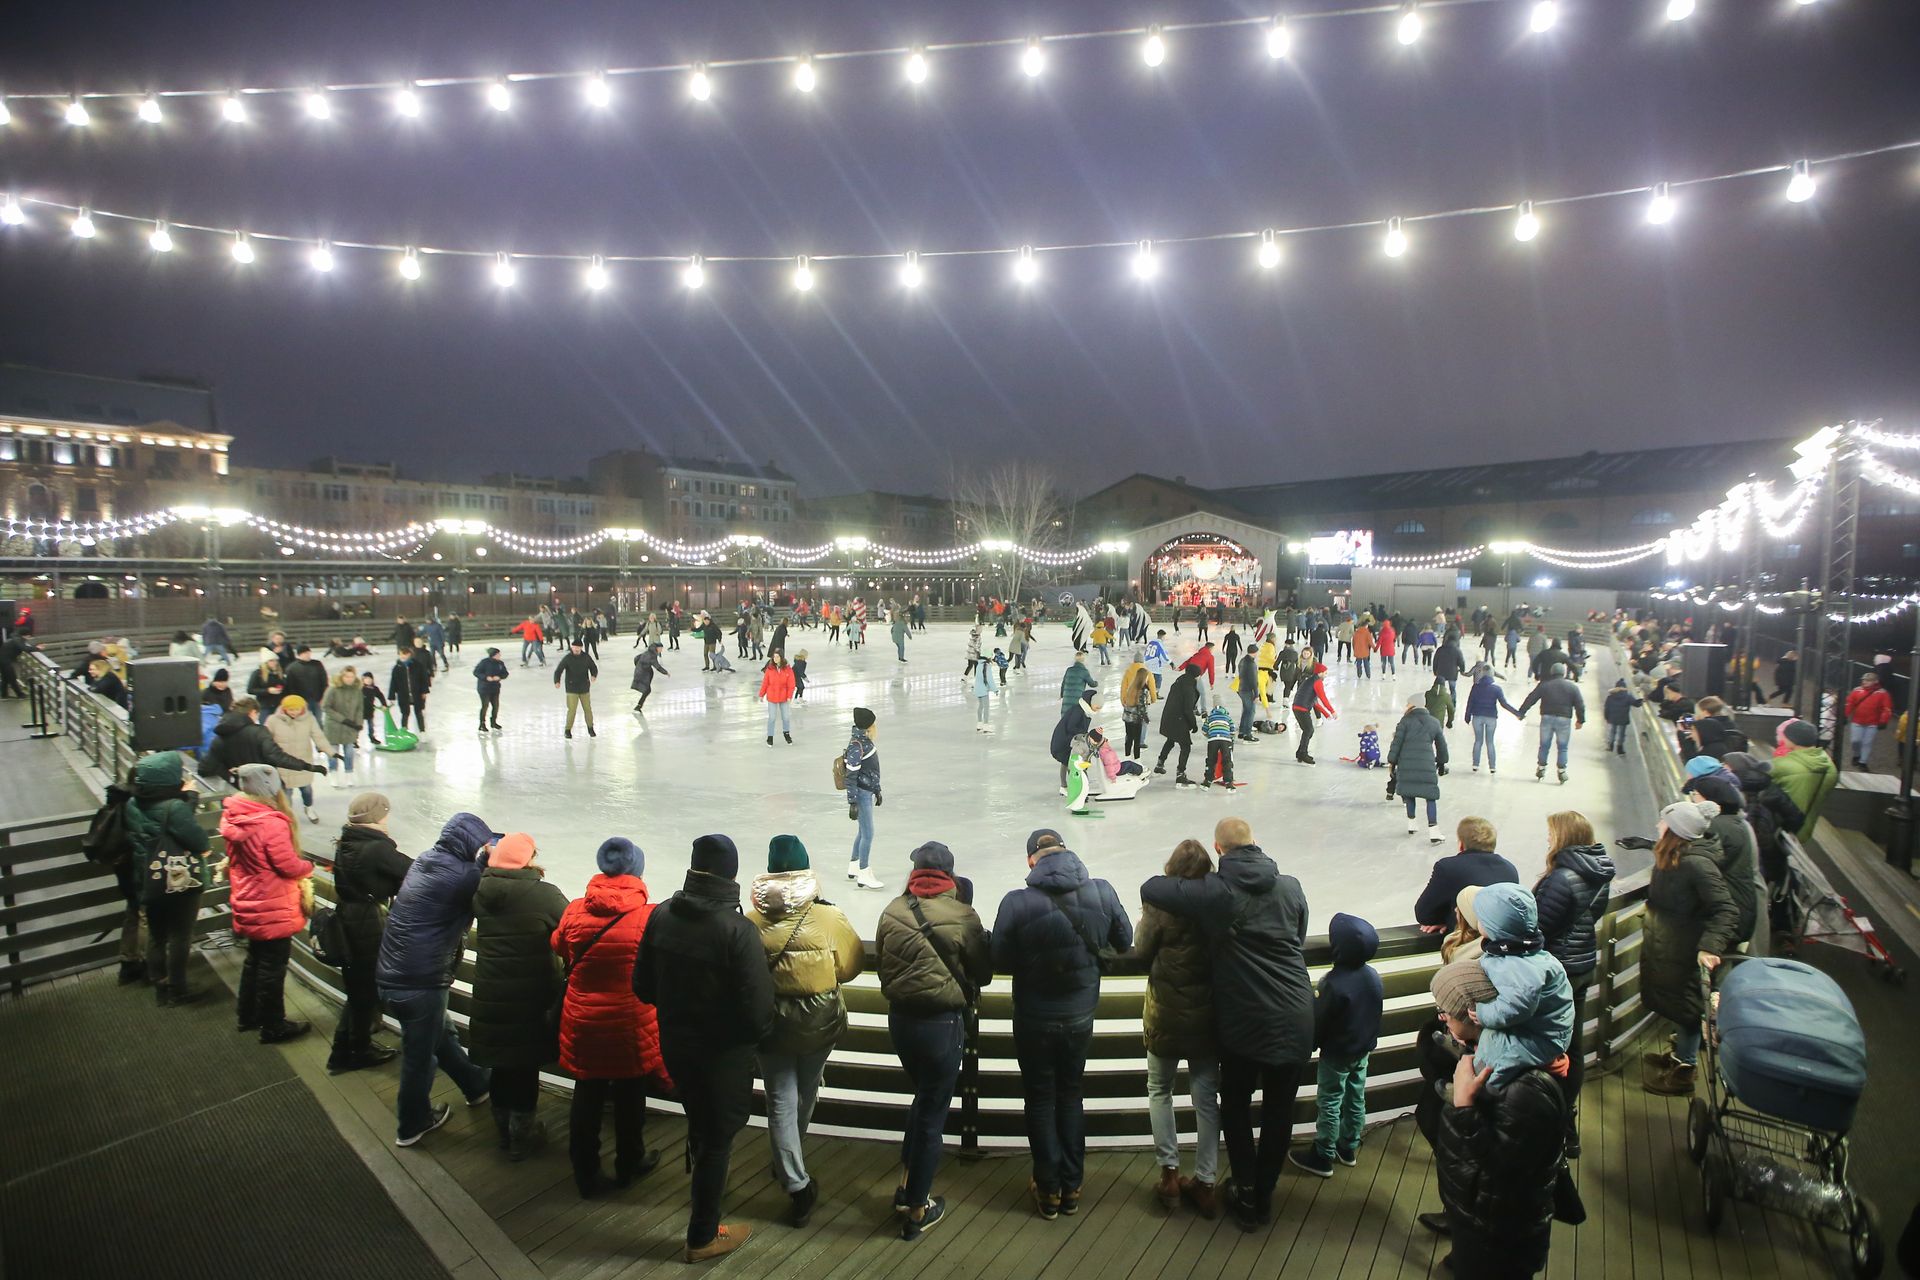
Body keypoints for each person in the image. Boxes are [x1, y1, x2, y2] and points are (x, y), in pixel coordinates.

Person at [1140, 817, 1311, 1231]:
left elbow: (1152, 888)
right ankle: (1260, 1195)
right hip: (1295, 1014)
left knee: (1234, 1104)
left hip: (1245, 1020)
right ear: (1257, 841)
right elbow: (1300, 935)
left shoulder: (1218, 891)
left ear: (1219, 850)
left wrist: (1193, 882)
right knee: (1278, 1111)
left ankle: (1246, 1188)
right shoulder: (1290, 885)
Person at [633, 834, 777, 1263]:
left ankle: (705, 1211)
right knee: (717, 1139)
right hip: (722, 1057)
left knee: (701, 1126)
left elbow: (642, 985)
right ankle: (702, 1235)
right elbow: (757, 1012)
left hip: (676, 1045)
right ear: (731, 874)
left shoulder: (661, 916)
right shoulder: (737, 931)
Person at [992, 829, 1134, 1220]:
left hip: (1034, 1017)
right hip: (1078, 1015)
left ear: (1031, 861)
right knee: (1070, 1093)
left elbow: (999, 959)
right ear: (1067, 853)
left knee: (1040, 1097)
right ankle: (1072, 1186)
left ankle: (1048, 1188)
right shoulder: (1101, 891)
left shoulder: (1016, 902)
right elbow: (1125, 940)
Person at [745, 835, 864, 1226]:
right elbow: (849, 965)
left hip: (771, 1025)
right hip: (818, 1022)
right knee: (807, 1088)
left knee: (780, 1097)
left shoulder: (751, 922)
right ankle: (792, 1171)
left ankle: (791, 1169)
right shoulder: (828, 918)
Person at [875, 841, 990, 1240]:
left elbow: (884, 969)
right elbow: (983, 971)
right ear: (949, 877)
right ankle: (917, 1207)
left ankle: (908, 1184)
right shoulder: (962, 915)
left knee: (923, 1101)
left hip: (902, 1022)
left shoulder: (891, 911)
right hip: (941, 1025)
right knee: (931, 1113)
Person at [1429, 959, 1567, 1278]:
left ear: (1472, 1015)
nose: (1441, 1017)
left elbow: (1505, 1168)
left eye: (1446, 1009)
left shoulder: (1525, 1088)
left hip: (1498, 1235)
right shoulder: (1488, 1058)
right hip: (1476, 1215)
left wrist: (1464, 1106)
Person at [553, 836, 669, 1196]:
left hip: (584, 1019)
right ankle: (629, 1161)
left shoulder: (574, 910)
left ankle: (585, 1172)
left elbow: (558, 944)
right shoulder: (648, 917)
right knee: (630, 1093)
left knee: (587, 1093)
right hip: (628, 1022)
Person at [375, 813, 499, 1146]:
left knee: (439, 1035)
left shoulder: (425, 861)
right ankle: (412, 1123)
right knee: (420, 1055)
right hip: (420, 982)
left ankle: (476, 1084)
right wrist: (487, 864)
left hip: (391, 974)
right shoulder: (464, 876)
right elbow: (492, 893)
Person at [1125, 839, 1221, 1216]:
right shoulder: (1217, 906)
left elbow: (1141, 949)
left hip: (1164, 1013)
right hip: (1206, 1016)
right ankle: (1207, 1178)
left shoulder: (1159, 905)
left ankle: (1168, 1172)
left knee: (1159, 1089)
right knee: (1206, 1098)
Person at [466, 832, 569, 1160]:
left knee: (501, 1063)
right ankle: (521, 1135)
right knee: (524, 1066)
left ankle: (503, 1128)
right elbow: (570, 929)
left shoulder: (480, 890)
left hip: (490, 991)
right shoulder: (543, 895)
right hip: (529, 995)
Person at [1639, 800, 1738, 1096]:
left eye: (1663, 824)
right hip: (1673, 943)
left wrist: (1709, 946)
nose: (1658, 826)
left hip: (1686, 946)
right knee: (1680, 1003)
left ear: (1675, 831)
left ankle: (1685, 1069)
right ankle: (1680, 1055)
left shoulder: (1696, 864)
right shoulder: (1678, 855)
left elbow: (1726, 909)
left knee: (1688, 1005)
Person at [1530, 812, 1612, 1156]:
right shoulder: (1599, 871)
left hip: (1557, 970)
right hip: (1582, 965)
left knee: (1548, 1046)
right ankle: (1567, 1125)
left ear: (1563, 837)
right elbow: (1591, 915)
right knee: (1572, 1047)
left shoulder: (1562, 878)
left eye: (1551, 833)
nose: (1547, 839)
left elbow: (1541, 926)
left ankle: (1550, 1123)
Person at [222, 763, 316, 1044]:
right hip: (272, 904)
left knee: (255, 961)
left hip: (248, 897)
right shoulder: (270, 822)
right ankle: (273, 1025)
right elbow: (287, 864)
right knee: (272, 968)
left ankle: (247, 1014)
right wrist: (307, 866)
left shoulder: (236, 815)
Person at [1288, 911, 1382, 1179]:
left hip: (1337, 1053)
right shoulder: (1373, 975)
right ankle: (1348, 1146)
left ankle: (1323, 1153)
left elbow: (1320, 1020)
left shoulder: (1333, 983)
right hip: (1362, 1049)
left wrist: (1311, 1044)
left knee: (1330, 1100)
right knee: (1355, 1095)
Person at [326, 792, 408, 1075]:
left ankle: (344, 1049)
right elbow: (413, 870)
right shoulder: (376, 849)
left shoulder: (348, 841)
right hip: (367, 925)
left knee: (358, 991)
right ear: (378, 817)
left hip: (350, 919)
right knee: (364, 993)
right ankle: (354, 1051)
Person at [125, 752, 213, 1005]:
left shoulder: (133, 803)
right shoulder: (174, 807)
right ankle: (178, 989)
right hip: (177, 881)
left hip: (148, 878)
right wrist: (191, 797)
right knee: (180, 935)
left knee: (157, 933)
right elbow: (199, 841)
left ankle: (160, 984)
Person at [1466, 884, 1574, 1088]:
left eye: (1482, 918)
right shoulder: (1519, 952)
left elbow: (1516, 1007)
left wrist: (1483, 1013)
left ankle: (1483, 1089)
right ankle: (1472, 1065)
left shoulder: (1518, 966)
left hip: (1540, 1038)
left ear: (1495, 926)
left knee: (1499, 1051)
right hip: (1538, 1028)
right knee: (1491, 1039)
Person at [1413, 818, 1519, 932]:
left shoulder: (1448, 868)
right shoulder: (1510, 869)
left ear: (1461, 845)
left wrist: (1451, 921)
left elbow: (1424, 914)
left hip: (1468, 941)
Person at [201, 696, 330, 785]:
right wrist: (307, 766)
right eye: (257, 715)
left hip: (238, 790)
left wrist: (228, 772)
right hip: (263, 787)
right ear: (252, 712)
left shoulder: (220, 736)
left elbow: (205, 768)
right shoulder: (259, 732)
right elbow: (277, 757)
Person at [1389, 698, 1450, 843]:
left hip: (1406, 763)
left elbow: (1396, 743)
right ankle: (1434, 831)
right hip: (1426, 763)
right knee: (1430, 797)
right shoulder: (1434, 722)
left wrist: (1392, 761)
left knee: (1409, 793)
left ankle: (1412, 824)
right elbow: (1442, 746)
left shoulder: (1404, 722)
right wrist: (1442, 761)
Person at [265, 694, 331, 823]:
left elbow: (318, 736)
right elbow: (266, 740)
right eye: (291, 709)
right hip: (284, 764)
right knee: (286, 793)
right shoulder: (273, 720)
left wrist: (331, 752)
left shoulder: (309, 719)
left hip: (303, 762)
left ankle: (309, 808)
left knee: (306, 789)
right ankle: (287, 816)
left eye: (296, 709)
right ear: (284, 709)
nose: (294, 712)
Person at [1516, 663, 1586, 784]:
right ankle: (1562, 771)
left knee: (1544, 745)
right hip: (1564, 720)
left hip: (1547, 718)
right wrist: (1580, 720)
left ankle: (1541, 768)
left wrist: (1521, 712)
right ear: (1563, 673)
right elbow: (1580, 704)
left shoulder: (1545, 685)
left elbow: (1531, 698)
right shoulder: (1572, 687)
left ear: (1552, 672)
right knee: (1563, 747)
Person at [1771, 719, 1839, 836]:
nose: (1782, 739)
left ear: (1794, 740)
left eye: (1785, 736)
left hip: (1779, 827)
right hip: (1805, 827)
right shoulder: (1830, 766)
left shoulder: (1784, 765)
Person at [844, 707, 884, 890]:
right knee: (868, 833)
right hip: (861, 794)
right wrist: (852, 801)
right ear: (869, 726)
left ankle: (854, 864)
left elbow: (872, 771)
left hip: (867, 791)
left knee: (862, 831)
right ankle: (864, 872)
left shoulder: (864, 742)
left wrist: (877, 790)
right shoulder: (857, 745)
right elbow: (851, 776)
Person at [1154, 663, 1204, 786]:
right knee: (1186, 746)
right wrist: (1194, 725)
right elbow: (1187, 709)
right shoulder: (1189, 687)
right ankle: (1180, 773)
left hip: (1170, 716)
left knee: (1171, 739)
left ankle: (1160, 763)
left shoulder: (1179, 681)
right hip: (1179, 719)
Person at [1464, 667, 1520, 773]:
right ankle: (1492, 767)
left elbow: (1470, 702)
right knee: (1490, 742)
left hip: (1477, 716)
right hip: (1491, 717)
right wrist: (1517, 713)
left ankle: (1475, 765)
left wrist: (1467, 716)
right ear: (1492, 675)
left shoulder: (1475, 687)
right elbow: (1504, 704)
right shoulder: (1496, 689)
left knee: (1478, 741)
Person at [320, 668, 365, 787]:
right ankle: (333, 774)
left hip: (350, 727)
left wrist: (359, 723)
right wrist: (343, 719)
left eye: (352, 677)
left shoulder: (357, 691)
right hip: (334, 726)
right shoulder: (333, 689)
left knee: (349, 752)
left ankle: (349, 774)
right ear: (342, 677)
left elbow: (360, 708)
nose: (349, 679)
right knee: (333, 753)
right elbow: (325, 707)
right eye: (347, 677)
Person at [1843, 672, 1894, 769]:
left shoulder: (1883, 693)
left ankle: (1863, 762)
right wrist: (1844, 715)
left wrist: (1883, 720)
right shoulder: (1857, 691)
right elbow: (1849, 704)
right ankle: (1857, 754)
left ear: (1875, 681)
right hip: (1857, 721)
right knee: (1855, 741)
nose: (1864, 682)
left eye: (1868, 680)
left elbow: (1886, 708)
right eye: (1864, 680)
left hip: (1872, 722)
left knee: (1867, 742)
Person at [552, 638, 598, 739]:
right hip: (571, 688)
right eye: (575, 647)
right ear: (572, 647)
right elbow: (558, 670)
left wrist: (594, 675)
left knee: (587, 709)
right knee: (572, 710)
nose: (576, 649)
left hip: (584, 687)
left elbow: (593, 667)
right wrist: (557, 681)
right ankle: (567, 730)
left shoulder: (586, 657)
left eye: (578, 647)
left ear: (581, 648)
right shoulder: (568, 658)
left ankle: (590, 728)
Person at [1291, 660, 1334, 765]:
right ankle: (1303, 753)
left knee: (1308, 731)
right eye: (1325, 673)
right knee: (1308, 730)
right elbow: (1323, 698)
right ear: (1320, 673)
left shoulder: (1310, 681)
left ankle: (1300, 752)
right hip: (1302, 709)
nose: (1326, 675)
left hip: (1298, 707)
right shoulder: (1317, 682)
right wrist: (1332, 711)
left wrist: (1326, 714)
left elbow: (1315, 702)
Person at [388, 646, 432, 733]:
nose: (403, 656)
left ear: (409, 654)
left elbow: (423, 679)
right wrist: (392, 696)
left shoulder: (418, 665)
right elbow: (393, 682)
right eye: (401, 654)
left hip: (417, 693)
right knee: (405, 713)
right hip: (403, 694)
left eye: (405, 654)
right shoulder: (397, 668)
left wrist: (424, 691)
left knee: (418, 712)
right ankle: (404, 731)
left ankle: (422, 731)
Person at [760, 653, 796, 746]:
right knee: (772, 718)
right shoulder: (770, 669)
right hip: (772, 696)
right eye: (774, 657)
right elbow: (765, 682)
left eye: (777, 656)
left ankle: (786, 733)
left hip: (784, 696)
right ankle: (770, 736)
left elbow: (791, 684)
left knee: (786, 717)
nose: (775, 658)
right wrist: (761, 694)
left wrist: (789, 696)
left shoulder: (788, 669)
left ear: (781, 658)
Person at [283, 644, 329, 713]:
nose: (308, 655)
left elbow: (324, 680)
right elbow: (290, 686)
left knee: (318, 720)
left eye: (309, 652)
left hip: (317, 698)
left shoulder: (317, 664)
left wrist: (324, 696)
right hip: (301, 700)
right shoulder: (292, 668)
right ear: (299, 654)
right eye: (305, 653)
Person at [1201, 701, 1236, 788]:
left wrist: (1210, 736)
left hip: (1213, 740)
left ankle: (1208, 780)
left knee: (1211, 760)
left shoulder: (1209, 717)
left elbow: (1204, 730)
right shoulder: (1228, 717)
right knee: (1227, 761)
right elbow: (1233, 730)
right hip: (1225, 740)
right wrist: (1230, 738)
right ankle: (1229, 782)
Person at [1602, 679, 1641, 756]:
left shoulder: (1610, 696)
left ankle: (1610, 745)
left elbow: (1606, 708)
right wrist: (1642, 700)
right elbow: (1636, 704)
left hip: (1612, 717)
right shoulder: (1628, 696)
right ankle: (1620, 748)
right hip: (1623, 718)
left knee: (1612, 731)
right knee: (1621, 733)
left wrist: (1606, 717)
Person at [630, 641, 668, 714]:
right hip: (642, 674)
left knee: (647, 690)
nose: (661, 650)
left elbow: (636, 658)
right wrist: (665, 672)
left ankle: (639, 706)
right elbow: (657, 666)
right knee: (647, 690)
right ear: (657, 648)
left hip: (641, 672)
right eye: (661, 648)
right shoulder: (652, 656)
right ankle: (638, 706)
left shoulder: (648, 652)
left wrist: (639, 666)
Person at [971, 647, 999, 732]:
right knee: (986, 707)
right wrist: (995, 689)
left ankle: (979, 724)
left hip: (978, 689)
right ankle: (986, 725)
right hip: (983, 690)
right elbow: (990, 679)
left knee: (981, 706)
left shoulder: (979, 665)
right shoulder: (986, 666)